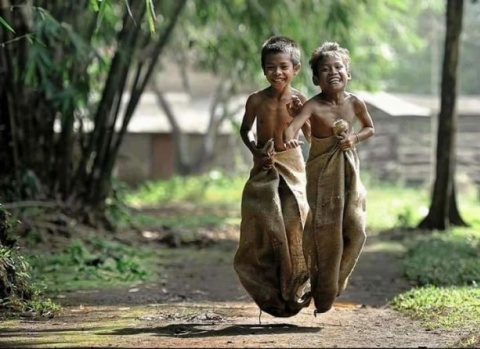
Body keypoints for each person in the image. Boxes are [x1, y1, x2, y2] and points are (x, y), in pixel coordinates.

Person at [283, 41, 375, 315]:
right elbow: (292, 128)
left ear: (348, 73)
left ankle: (334, 282)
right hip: (322, 176)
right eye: (325, 69)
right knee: (326, 233)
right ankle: (323, 291)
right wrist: (289, 141)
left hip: (349, 175)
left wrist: (354, 138)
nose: (333, 72)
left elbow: (370, 128)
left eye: (338, 67)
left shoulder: (355, 102)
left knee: (356, 229)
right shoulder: (313, 105)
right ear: (315, 78)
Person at [233, 35, 312, 318]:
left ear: (296, 69)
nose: (277, 72)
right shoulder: (256, 100)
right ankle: (270, 289)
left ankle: (296, 285)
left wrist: (298, 136)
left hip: (292, 164)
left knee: (295, 220)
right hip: (265, 165)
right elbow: (245, 130)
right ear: (263, 70)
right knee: (266, 224)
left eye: (283, 66)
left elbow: (310, 135)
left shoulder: (300, 100)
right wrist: (255, 150)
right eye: (270, 67)